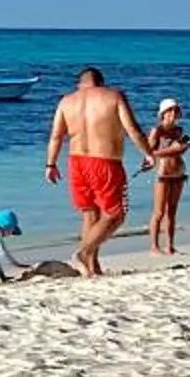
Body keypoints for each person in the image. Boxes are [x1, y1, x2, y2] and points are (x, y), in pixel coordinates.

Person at [45, 65, 146, 277]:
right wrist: (148, 154)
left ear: (80, 83)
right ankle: (84, 253)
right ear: (101, 82)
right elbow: (132, 129)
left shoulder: (66, 101)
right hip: (105, 162)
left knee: (90, 213)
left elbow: (56, 136)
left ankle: (91, 268)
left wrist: (51, 164)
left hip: (76, 161)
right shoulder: (113, 96)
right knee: (115, 214)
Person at [145, 98, 190, 254]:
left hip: (178, 171)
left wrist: (182, 148)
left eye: (175, 110)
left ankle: (170, 246)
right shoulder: (157, 131)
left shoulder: (179, 130)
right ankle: (154, 247)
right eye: (170, 110)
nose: (173, 113)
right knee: (158, 212)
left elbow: (179, 150)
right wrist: (174, 149)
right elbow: (149, 153)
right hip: (163, 173)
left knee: (172, 210)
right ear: (163, 114)